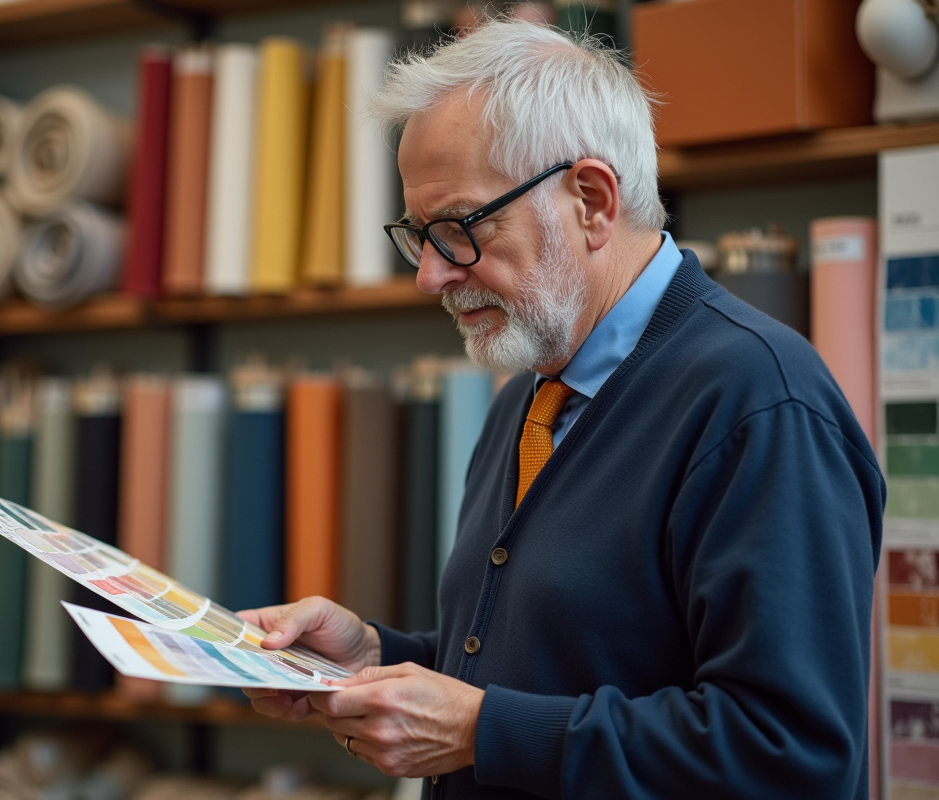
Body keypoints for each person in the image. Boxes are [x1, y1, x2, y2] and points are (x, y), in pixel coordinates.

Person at [238, 19, 884, 800]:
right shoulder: (531, 398)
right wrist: (372, 656)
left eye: (461, 230)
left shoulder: (759, 404)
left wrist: (482, 732)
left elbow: (788, 756)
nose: (431, 277)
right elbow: (545, 663)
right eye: (420, 238)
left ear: (591, 200)